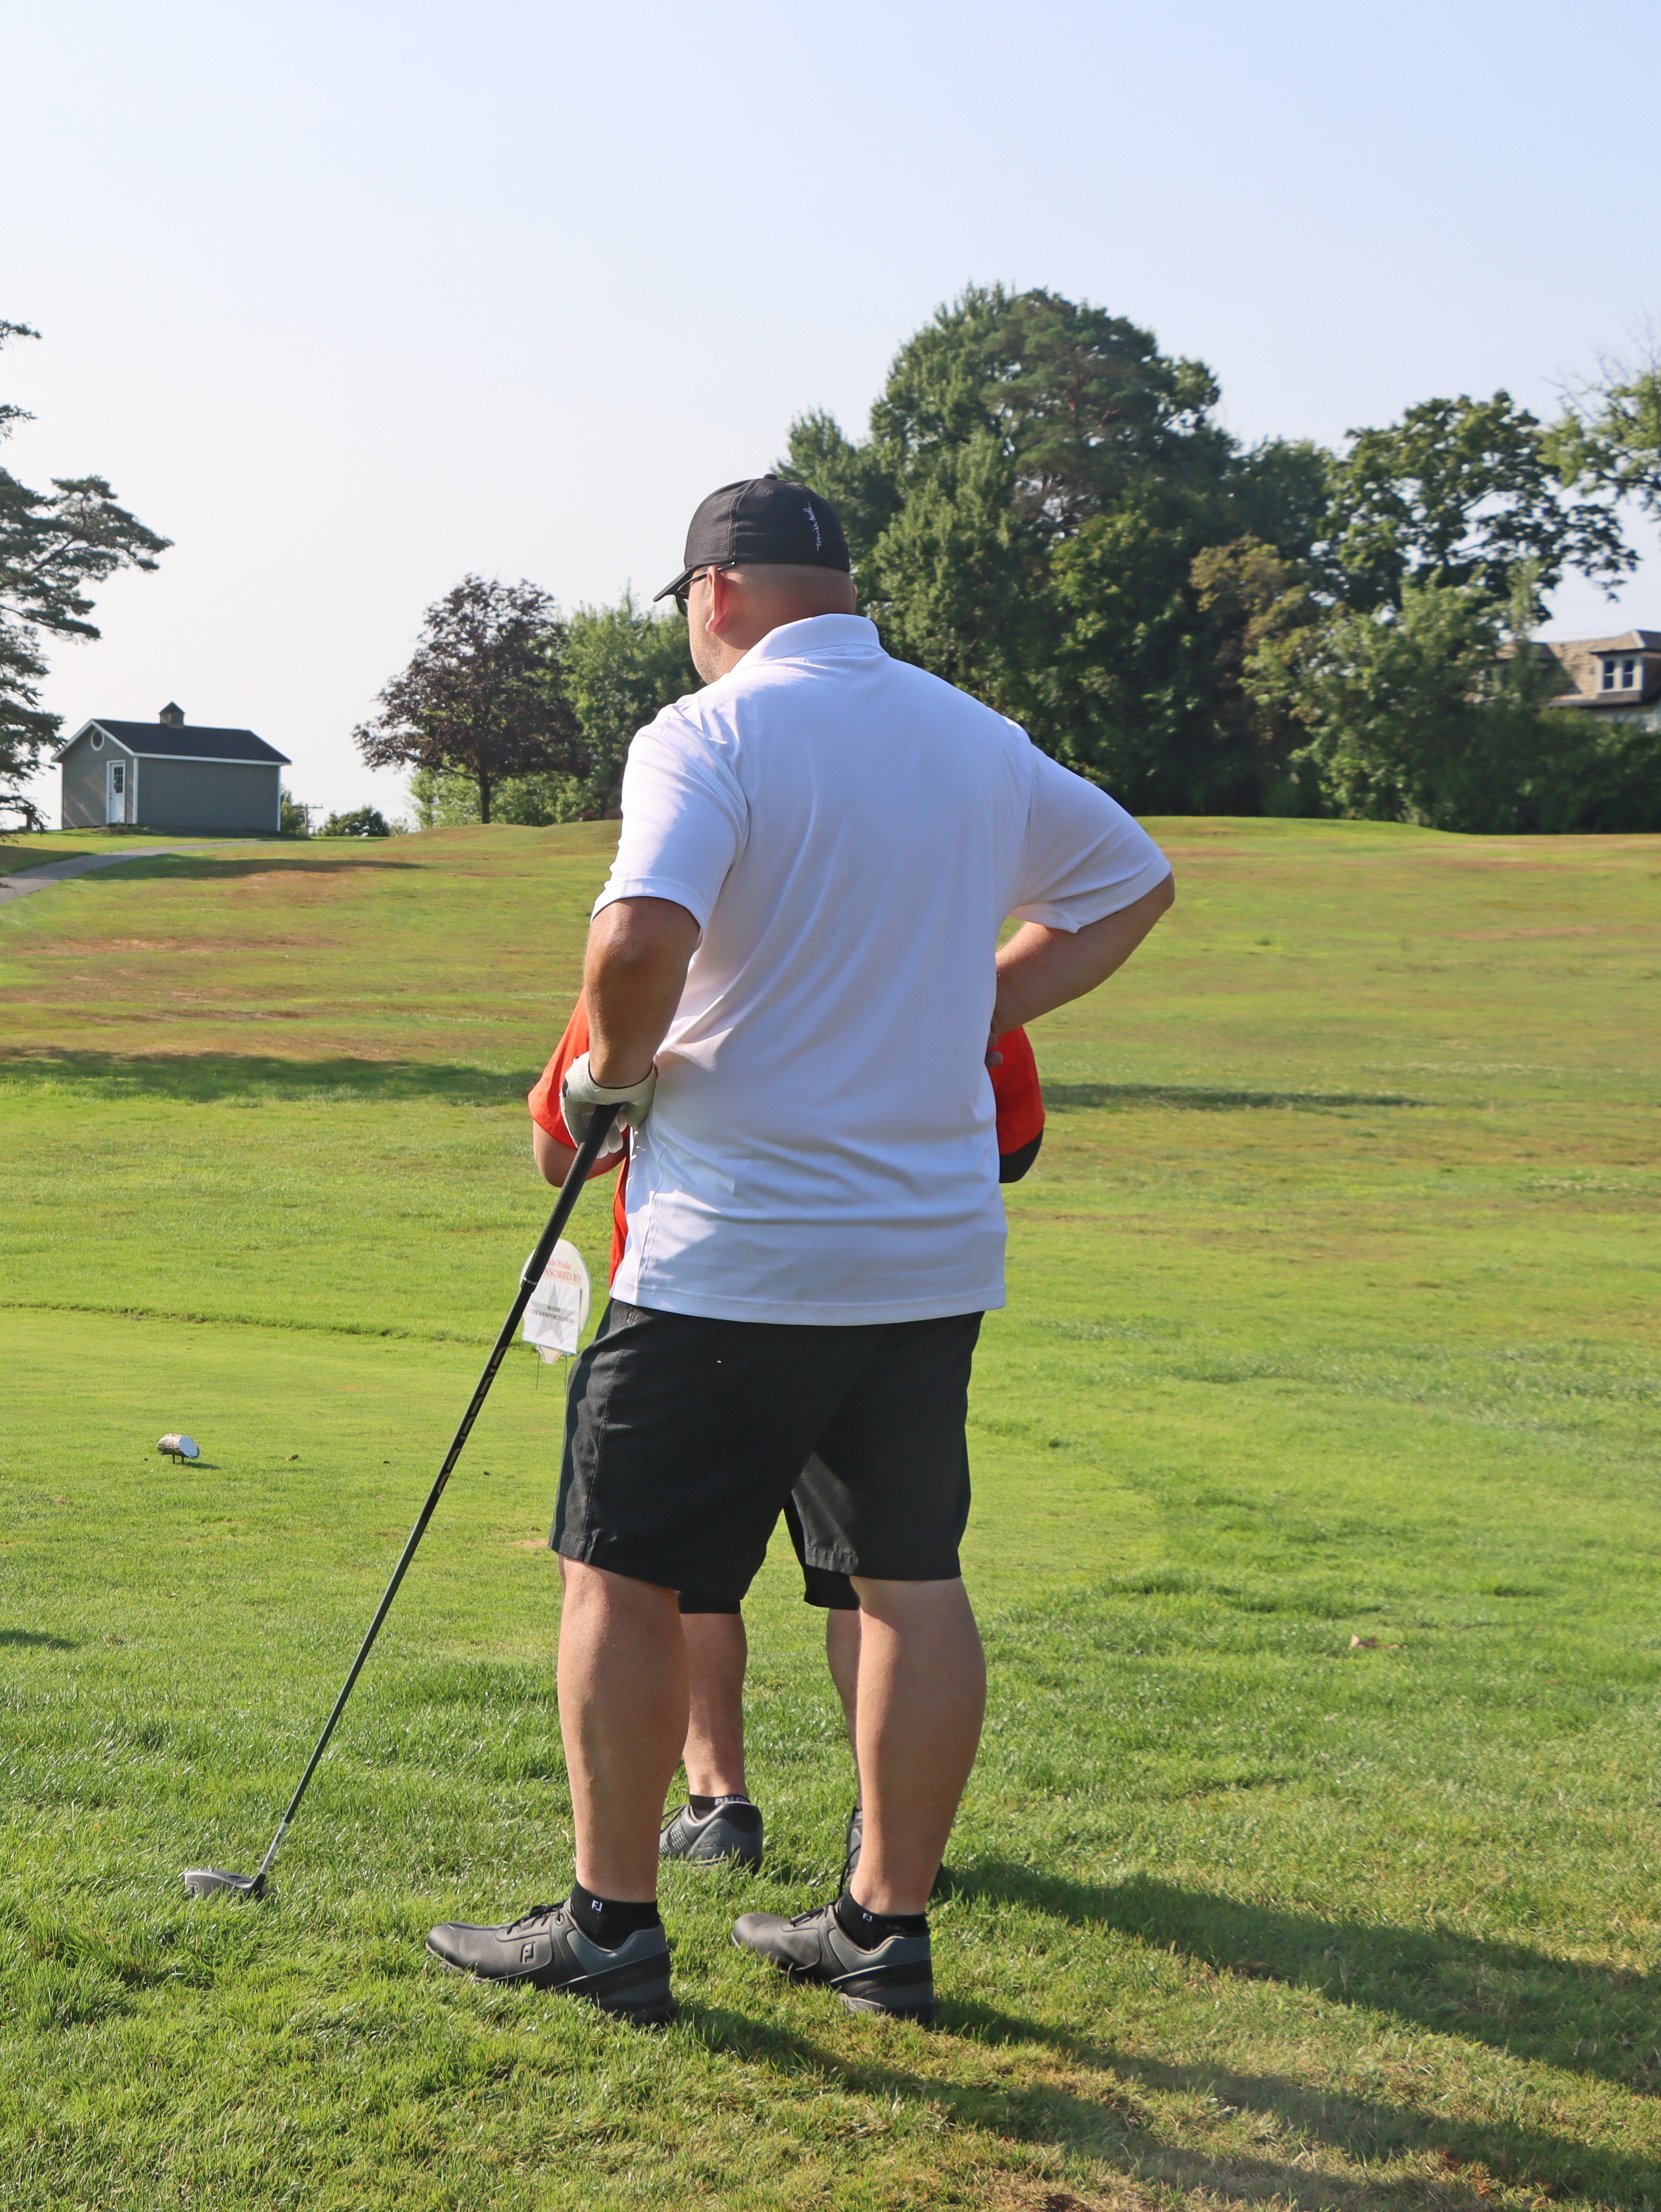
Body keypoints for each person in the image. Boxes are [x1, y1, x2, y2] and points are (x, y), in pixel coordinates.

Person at [427, 477, 1172, 2026]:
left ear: (715, 597)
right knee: (907, 1581)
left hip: (731, 1256)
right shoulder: (972, 735)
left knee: (619, 1576)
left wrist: (606, 1078)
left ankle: (614, 1929)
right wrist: (978, 1009)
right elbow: (1128, 886)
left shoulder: (708, 735)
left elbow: (636, 943)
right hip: (928, 1255)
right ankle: (883, 1929)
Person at [523, 1014, 1048, 1881]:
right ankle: (884, 1848)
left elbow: (562, 1154)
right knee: (884, 1575)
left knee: (655, 1570)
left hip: (707, 1286)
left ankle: (714, 1804)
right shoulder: (946, 948)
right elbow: (1011, 1145)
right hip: (900, 1297)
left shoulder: (679, 947)